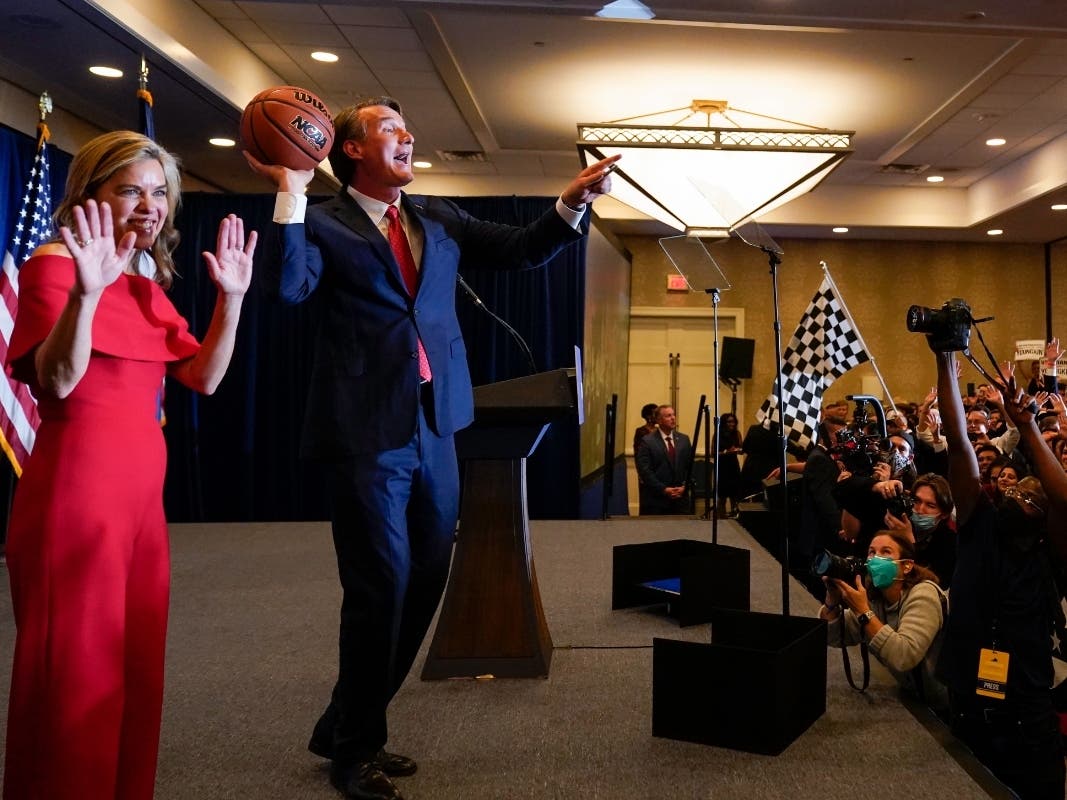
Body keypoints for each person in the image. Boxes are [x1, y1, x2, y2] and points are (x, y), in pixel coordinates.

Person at [245, 95, 617, 800]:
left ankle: (345, 722)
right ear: (349, 149)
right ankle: (357, 751)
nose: (407, 136)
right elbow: (285, 290)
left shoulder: (438, 217)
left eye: (407, 128)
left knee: (424, 581)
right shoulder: (320, 223)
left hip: (437, 422)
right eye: (390, 129)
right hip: (364, 431)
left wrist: (568, 204)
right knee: (378, 584)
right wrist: (290, 194)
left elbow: (518, 250)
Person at [2, 130, 255, 800]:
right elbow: (55, 382)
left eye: (158, 192)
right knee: (75, 678)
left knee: (134, 675)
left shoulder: (146, 283)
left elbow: (203, 377)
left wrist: (230, 300)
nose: (149, 206)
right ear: (90, 195)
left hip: (142, 508)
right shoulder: (55, 269)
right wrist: (87, 294)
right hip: (77, 501)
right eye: (130, 190)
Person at [932, 344, 1067, 799]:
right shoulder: (979, 523)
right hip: (971, 703)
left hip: (1029, 712)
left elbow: (1063, 499)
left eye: (1031, 498)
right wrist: (945, 356)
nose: (1018, 498)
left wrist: (1027, 424)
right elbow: (957, 440)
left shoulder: (1051, 553)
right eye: (1013, 494)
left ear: (1044, 515)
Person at [820, 530, 947, 708]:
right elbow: (832, 636)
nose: (876, 558)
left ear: (907, 565)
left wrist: (863, 612)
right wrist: (831, 602)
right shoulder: (876, 598)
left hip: (947, 703)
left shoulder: (924, 594)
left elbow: (904, 656)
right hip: (915, 699)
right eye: (872, 552)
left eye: (886, 552)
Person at [636, 405, 692, 514]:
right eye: (668, 416)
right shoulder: (647, 441)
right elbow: (645, 470)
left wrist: (685, 486)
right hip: (657, 501)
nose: (673, 418)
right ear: (659, 420)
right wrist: (663, 489)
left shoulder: (684, 440)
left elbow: (689, 467)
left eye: (673, 415)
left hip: (680, 500)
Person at [713, 411, 743, 518]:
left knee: (735, 493)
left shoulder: (737, 433)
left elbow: (741, 449)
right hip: (721, 467)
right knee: (722, 495)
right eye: (729, 422)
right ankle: (722, 516)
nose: (732, 424)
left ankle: (735, 514)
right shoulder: (717, 434)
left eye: (734, 422)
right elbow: (714, 453)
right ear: (724, 423)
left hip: (733, 465)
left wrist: (738, 450)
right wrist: (727, 452)